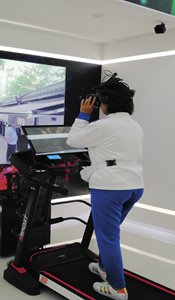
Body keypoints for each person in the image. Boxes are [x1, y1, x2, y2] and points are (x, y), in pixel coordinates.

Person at [66, 73, 143, 300]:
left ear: (107, 103)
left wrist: (84, 114)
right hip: (134, 186)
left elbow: (73, 140)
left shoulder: (104, 126)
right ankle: (104, 268)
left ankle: (118, 288)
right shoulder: (134, 125)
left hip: (110, 188)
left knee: (107, 237)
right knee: (109, 233)